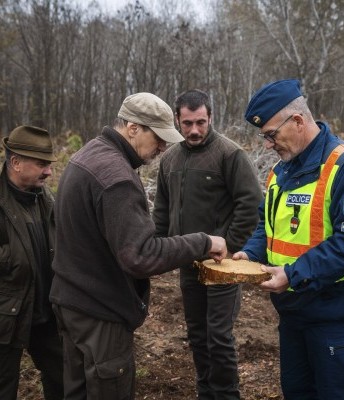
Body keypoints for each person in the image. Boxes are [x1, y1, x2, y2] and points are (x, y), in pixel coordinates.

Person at [49, 92, 227, 400]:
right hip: (100, 313)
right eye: (157, 138)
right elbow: (140, 256)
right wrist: (203, 242)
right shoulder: (116, 177)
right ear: (133, 128)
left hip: (71, 303)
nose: (162, 147)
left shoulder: (87, 156)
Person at [233, 79, 344, 400]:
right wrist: (250, 255)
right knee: (298, 390)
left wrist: (293, 273)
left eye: (271, 135)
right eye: (264, 138)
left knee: (336, 393)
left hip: (333, 305)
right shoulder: (281, 170)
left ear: (297, 121)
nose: (268, 145)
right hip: (294, 306)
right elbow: (267, 225)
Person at [152, 89, 263, 399]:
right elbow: (162, 208)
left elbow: (251, 202)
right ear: (177, 120)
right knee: (198, 335)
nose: (194, 130)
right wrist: (159, 250)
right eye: (187, 123)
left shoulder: (229, 154)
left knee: (219, 336)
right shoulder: (170, 158)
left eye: (200, 122)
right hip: (187, 260)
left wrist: (229, 246)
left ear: (210, 117)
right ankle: (206, 392)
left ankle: (227, 394)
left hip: (221, 266)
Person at [0, 126, 63, 399]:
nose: (49, 172)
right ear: (15, 162)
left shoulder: (45, 199)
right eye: (41, 165)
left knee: (64, 379)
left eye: (49, 165)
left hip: (46, 313)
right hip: (6, 319)